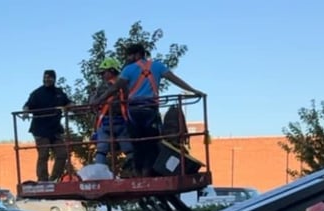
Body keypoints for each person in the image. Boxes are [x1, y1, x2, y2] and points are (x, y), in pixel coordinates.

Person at [92, 43, 204, 177]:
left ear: (137, 54)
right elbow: (174, 79)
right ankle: (148, 172)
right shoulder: (157, 66)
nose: (128, 59)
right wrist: (193, 90)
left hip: (134, 111)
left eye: (130, 56)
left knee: (137, 144)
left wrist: (99, 100)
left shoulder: (128, 69)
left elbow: (115, 88)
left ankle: (138, 172)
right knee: (151, 142)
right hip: (150, 110)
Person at [21, 69, 72, 182]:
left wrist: (71, 107)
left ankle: (54, 178)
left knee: (62, 153)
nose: (46, 79)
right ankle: (42, 180)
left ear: (54, 79)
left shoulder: (59, 92)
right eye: (45, 77)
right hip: (40, 129)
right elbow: (27, 105)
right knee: (43, 154)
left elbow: (68, 102)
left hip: (55, 129)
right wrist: (25, 112)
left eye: (49, 77)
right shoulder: (37, 93)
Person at [91, 57, 134, 170]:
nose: (102, 76)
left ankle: (99, 171)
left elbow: (93, 104)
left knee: (101, 150)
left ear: (111, 71)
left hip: (107, 122)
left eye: (103, 73)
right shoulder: (126, 85)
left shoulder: (102, 87)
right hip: (122, 121)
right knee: (128, 148)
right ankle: (133, 167)